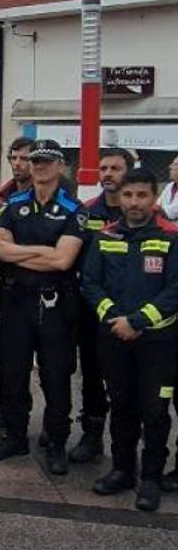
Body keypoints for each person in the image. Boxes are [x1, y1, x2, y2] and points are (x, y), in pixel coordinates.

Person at [82, 168, 178, 512]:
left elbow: (174, 291)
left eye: (141, 195)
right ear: (119, 198)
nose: (134, 202)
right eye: (128, 195)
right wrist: (114, 319)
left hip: (159, 342)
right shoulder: (105, 235)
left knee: (155, 411)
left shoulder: (171, 236)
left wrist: (137, 321)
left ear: (154, 197)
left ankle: (150, 478)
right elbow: (91, 283)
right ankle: (122, 469)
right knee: (121, 406)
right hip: (114, 337)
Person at [0, 139, 85, 474]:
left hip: (56, 303)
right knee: (13, 371)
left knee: (56, 376)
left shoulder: (74, 209)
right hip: (16, 301)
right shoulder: (13, 204)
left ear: (60, 166)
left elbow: (63, 260)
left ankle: (56, 442)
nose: (39, 166)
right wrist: (43, 251)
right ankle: (15, 435)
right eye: (36, 161)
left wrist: (23, 252)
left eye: (47, 161)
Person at [68, 148, 133, 466]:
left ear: (129, 172)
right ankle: (92, 434)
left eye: (116, 168)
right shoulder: (87, 212)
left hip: (134, 315)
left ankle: (130, 445)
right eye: (104, 168)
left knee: (130, 383)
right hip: (92, 309)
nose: (108, 173)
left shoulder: (144, 214)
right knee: (92, 374)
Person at [0, 137, 36, 432]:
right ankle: (7, 407)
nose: (17, 164)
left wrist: (18, 249)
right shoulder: (3, 196)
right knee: (6, 354)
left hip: (45, 290)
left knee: (53, 365)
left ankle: (54, 424)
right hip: (6, 287)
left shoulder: (58, 193)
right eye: (13, 158)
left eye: (24, 158)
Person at [159, 156, 178, 220]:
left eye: (175, 164)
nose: (170, 167)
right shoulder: (169, 186)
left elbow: (172, 213)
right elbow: (158, 203)